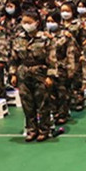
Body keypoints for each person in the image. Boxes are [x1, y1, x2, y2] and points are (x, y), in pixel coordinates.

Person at [8, 11, 57, 142]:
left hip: (40, 73)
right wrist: (13, 74)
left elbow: (52, 59)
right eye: (24, 22)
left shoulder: (46, 39)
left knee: (43, 103)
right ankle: (31, 129)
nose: (26, 25)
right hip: (23, 73)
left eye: (29, 22)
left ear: (37, 22)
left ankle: (44, 129)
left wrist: (50, 76)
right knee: (27, 103)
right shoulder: (18, 38)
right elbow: (13, 59)